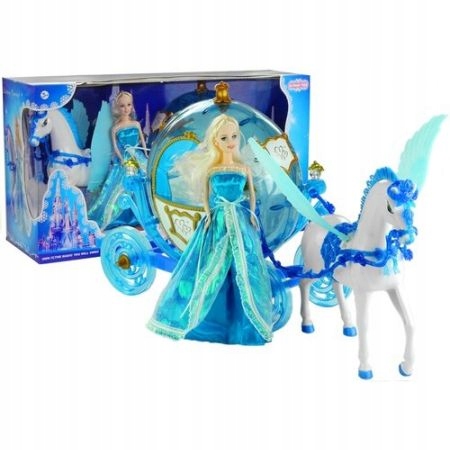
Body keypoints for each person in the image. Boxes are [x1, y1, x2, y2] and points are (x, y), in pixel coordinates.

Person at [147, 114, 275, 345]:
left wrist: (251, 215)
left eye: (234, 136)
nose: (230, 141)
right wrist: (207, 214)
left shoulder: (244, 168)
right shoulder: (212, 169)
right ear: (215, 140)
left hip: (240, 219)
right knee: (210, 265)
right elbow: (206, 197)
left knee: (244, 265)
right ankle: (205, 319)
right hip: (217, 221)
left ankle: (244, 321)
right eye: (224, 137)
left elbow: (252, 195)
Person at [88, 91, 148, 230]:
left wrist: (145, 154)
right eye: (122, 106)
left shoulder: (136, 124)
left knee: (143, 184)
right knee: (120, 188)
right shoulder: (115, 128)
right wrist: (122, 159)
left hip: (138, 156)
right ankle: (122, 217)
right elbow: (115, 147)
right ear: (117, 108)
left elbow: (143, 141)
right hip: (125, 159)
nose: (126, 109)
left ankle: (143, 214)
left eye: (129, 105)